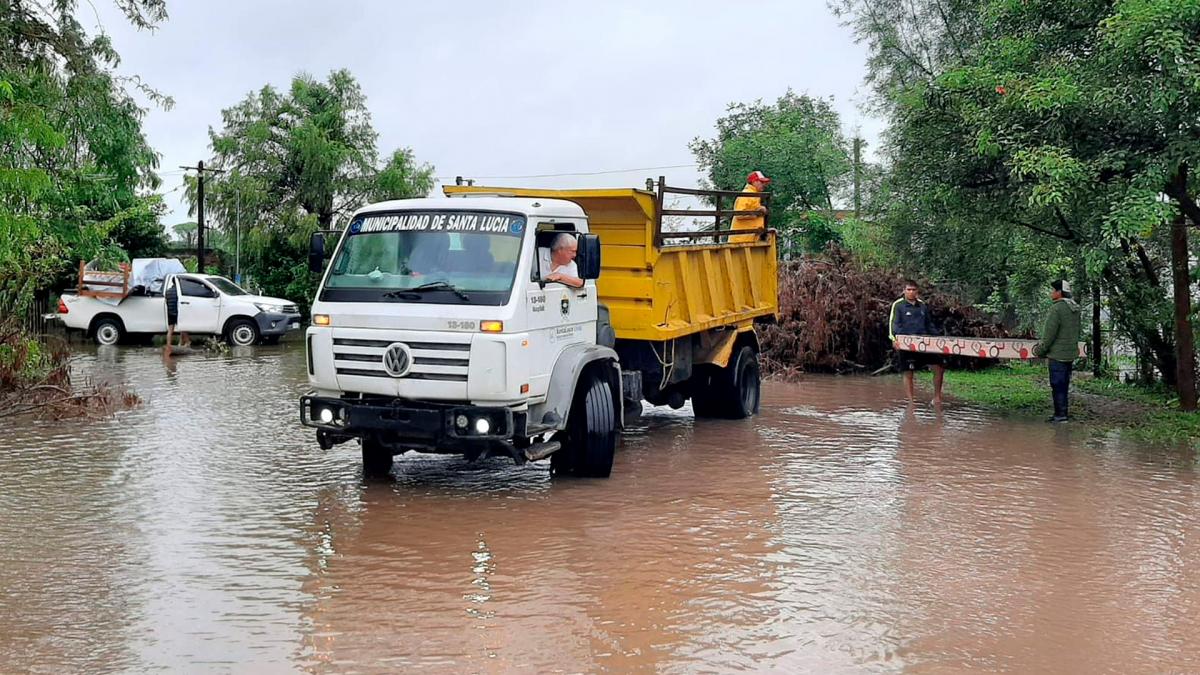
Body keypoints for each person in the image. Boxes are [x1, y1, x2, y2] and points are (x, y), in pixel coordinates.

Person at [1033, 279, 1082, 422]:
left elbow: (1049, 335)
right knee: (1064, 384)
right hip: (1069, 354)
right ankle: (1063, 413)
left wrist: (1040, 351)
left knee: (1057, 385)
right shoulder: (1074, 308)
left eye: (1053, 290)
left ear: (1059, 292)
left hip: (1057, 355)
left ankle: (1060, 416)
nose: (1051, 293)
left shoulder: (1057, 309)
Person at [890, 280, 945, 403]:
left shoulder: (922, 306)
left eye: (913, 289)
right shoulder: (898, 305)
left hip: (925, 344)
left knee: (939, 367)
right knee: (908, 372)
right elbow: (893, 324)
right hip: (906, 345)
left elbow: (929, 324)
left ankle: (937, 397)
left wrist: (938, 338)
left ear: (917, 291)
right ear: (904, 291)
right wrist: (894, 339)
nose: (911, 292)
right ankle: (911, 402)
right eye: (908, 289)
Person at [729, 170, 770, 244]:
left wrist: (760, 209)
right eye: (761, 182)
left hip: (748, 239)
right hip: (741, 241)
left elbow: (751, 208)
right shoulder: (747, 194)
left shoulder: (754, 195)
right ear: (754, 181)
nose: (764, 184)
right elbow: (739, 214)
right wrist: (756, 213)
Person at [163, 278, 190, 353]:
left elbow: (166, 301)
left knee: (170, 330)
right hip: (178, 312)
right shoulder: (179, 291)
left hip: (170, 312)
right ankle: (187, 342)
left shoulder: (168, 291)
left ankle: (168, 345)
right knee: (182, 328)